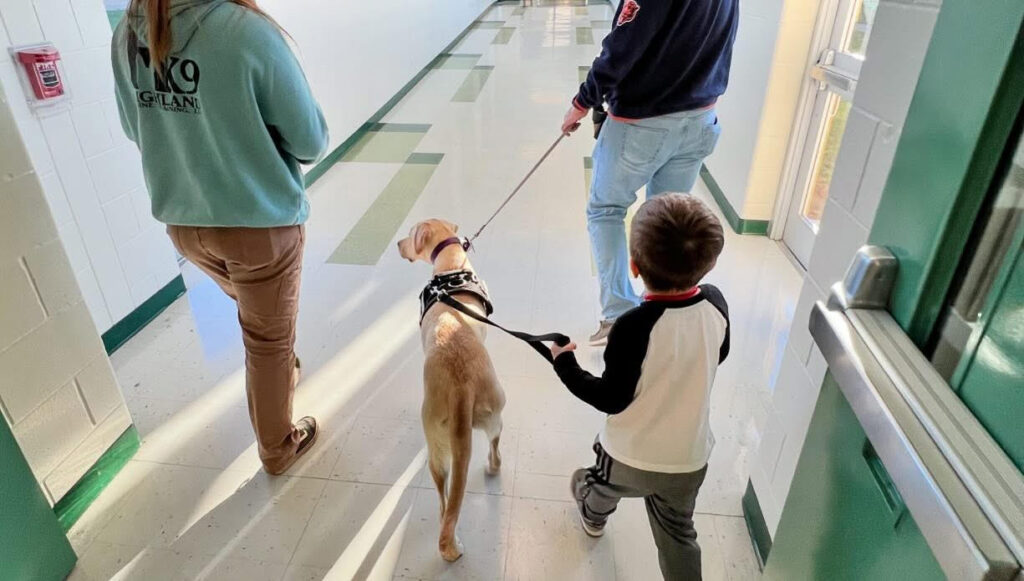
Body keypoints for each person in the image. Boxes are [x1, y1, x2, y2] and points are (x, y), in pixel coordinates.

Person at [112, 0, 329, 475]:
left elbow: (135, 127)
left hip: (185, 225)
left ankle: (281, 367)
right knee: (267, 339)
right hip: (257, 225)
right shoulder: (248, 31)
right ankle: (278, 449)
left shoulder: (129, 32)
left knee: (257, 314)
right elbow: (311, 140)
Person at [550, 194, 729, 581]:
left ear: (633, 266)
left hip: (630, 456)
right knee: (679, 534)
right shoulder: (716, 303)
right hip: (688, 459)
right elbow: (720, 353)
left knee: (594, 485)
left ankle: (593, 517)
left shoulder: (633, 325)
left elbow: (609, 397)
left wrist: (564, 363)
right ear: (710, 262)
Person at [562, 0, 738, 345]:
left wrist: (582, 102)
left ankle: (619, 314)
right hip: (701, 117)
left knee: (606, 210)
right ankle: (664, 313)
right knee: (666, 223)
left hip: (642, 123)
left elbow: (623, 46)